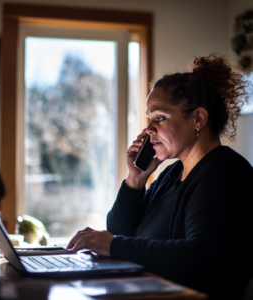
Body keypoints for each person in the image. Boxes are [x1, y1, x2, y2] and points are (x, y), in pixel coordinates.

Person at [67, 54, 253, 299]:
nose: (148, 130)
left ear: (198, 118)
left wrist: (112, 244)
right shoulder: (172, 173)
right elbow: (122, 230)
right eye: (149, 119)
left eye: (160, 118)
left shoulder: (225, 173)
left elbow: (200, 257)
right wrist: (136, 181)